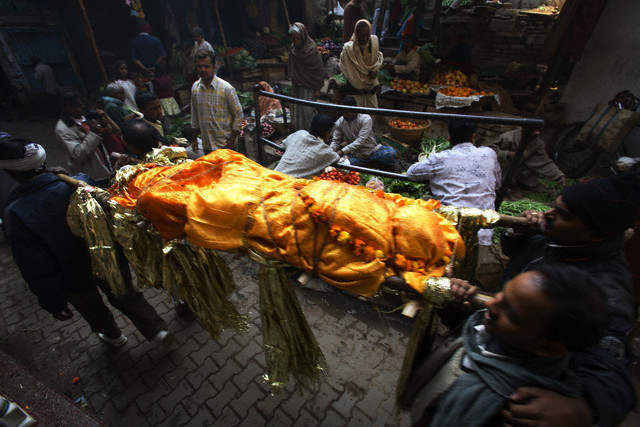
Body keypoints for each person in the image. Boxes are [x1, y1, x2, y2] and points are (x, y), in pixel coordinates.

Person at [0, 136, 172, 349]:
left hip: (71, 275)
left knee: (92, 308)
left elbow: (34, 264)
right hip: (108, 258)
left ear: (11, 172)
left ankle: (113, 336)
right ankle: (157, 330)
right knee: (126, 294)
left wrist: (53, 301)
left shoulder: (16, 212)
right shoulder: (79, 182)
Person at [497, 173, 640, 426]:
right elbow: (518, 253)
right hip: (497, 345)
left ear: (595, 233)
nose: (549, 213)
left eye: (563, 214)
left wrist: (584, 408)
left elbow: (613, 370)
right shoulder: (560, 237)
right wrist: (516, 232)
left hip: (517, 387)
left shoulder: (606, 292)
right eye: (554, 205)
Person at [409, 264, 608, 426]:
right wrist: (454, 308)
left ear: (547, 348)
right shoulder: (492, 331)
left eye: (511, 314)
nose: (490, 304)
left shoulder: (517, 410)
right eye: (503, 293)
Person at [407, 121, 501, 248]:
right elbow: (497, 184)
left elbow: (411, 172)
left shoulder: (440, 158)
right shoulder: (489, 153)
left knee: (424, 201)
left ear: (450, 140)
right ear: (473, 137)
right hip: (483, 231)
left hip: (451, 230)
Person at [54, 89, 114, 187]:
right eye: (72, 106)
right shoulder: (63, 129)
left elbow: (112, 132)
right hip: (92, 176)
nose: (78, 109)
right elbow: (78, 155)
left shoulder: (87, 116)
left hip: (107, 168)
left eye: (80, 105)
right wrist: (93, 133)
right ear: (63, 106)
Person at [189, 51, 243, 157]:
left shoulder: (226, 89)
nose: (203, 69)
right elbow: (195, 114)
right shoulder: (195, 88)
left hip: (225, 145)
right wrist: (194, 138)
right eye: (199, 66)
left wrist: (231, 142)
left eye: (206, 66)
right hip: (207, 146)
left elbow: (238, 115)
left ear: (214, 67)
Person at [484, 127, 566, 190]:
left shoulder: (537, 143)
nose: (537, 133)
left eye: (539, 130)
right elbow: (489, 150)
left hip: (517, 171)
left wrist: (559, 175)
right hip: (499, 167)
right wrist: (507, 154)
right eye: (534, 130)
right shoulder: (508, 137)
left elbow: (543, 161)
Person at [329, 96, 396, 168]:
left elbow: (360, 141)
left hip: (371, 151)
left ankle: (369, 164)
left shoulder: (366, 119)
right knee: (347, 162)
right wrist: (330, 151)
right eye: (343, 113)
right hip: (355, 153)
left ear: (355, 110)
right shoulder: (340, 122)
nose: (345, 115)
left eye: (347, 113)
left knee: (391, 153)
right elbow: (336, 141)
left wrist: (342, 151)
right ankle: (369, 164)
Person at [274, 114, 339, 178]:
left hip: (273, 175)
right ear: (326, 133)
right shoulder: (325, 150)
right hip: (288, 184)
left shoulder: (300, 133)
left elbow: (283, 144)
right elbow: (338, 160)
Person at [287, 22, 324, 131]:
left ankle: (312, 134)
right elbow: (293, 69)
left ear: (303, 37)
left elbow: (318, 70)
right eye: (294, 39)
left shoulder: (311, 49)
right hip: (299, 85)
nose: (296, 42)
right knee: (299, 113)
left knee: (308, 112)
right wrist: (294, 86)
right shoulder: (293, 50)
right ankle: (301, 134)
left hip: (310, 86)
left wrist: (317, 89)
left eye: (299, 39)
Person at [340, 19, 384, 108]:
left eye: (367, 35)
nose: (364, 38)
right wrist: (360, 86)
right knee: (355, 117)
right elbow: (350, 72)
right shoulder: (348, 49)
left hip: (371, 88)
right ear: (356, 33)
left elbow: (378, 59)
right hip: (355, 90)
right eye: (361, 35)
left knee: (372, 115)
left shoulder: (374, 42)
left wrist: (375, 70)